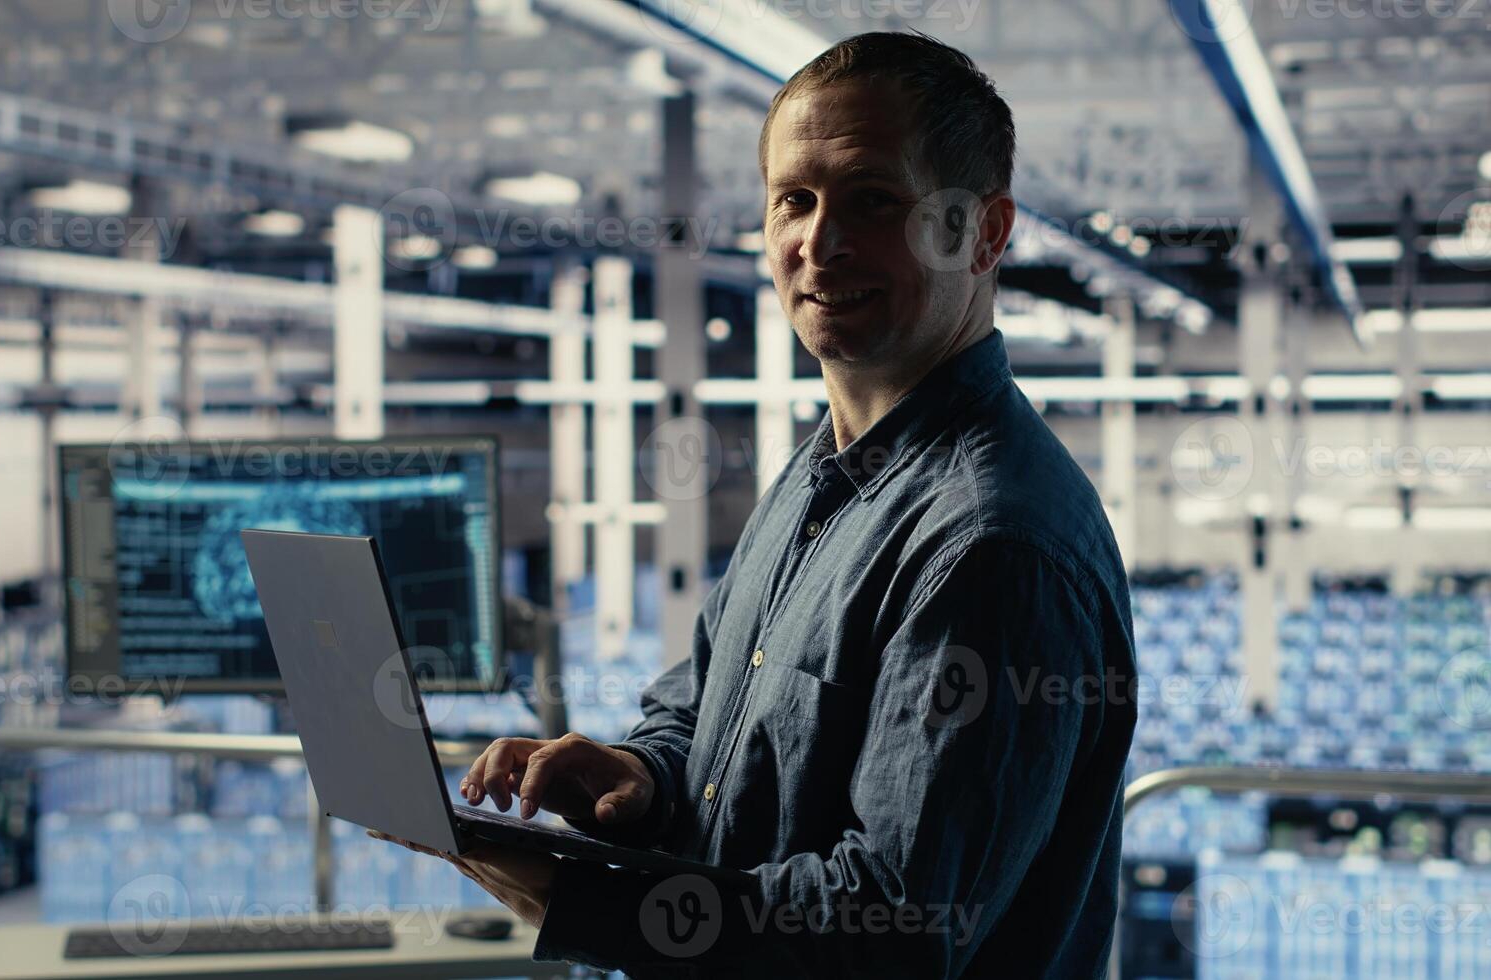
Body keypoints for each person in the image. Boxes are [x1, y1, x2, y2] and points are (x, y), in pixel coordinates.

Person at [373, 30, 1139, 977]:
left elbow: (891, 927)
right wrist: (642, 782)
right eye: (795, 200)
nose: (818, 242)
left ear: (981, 233)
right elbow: (699, 713)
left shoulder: (989, 542)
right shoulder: (822, 474)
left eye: (872, 200)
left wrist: (602, 904)